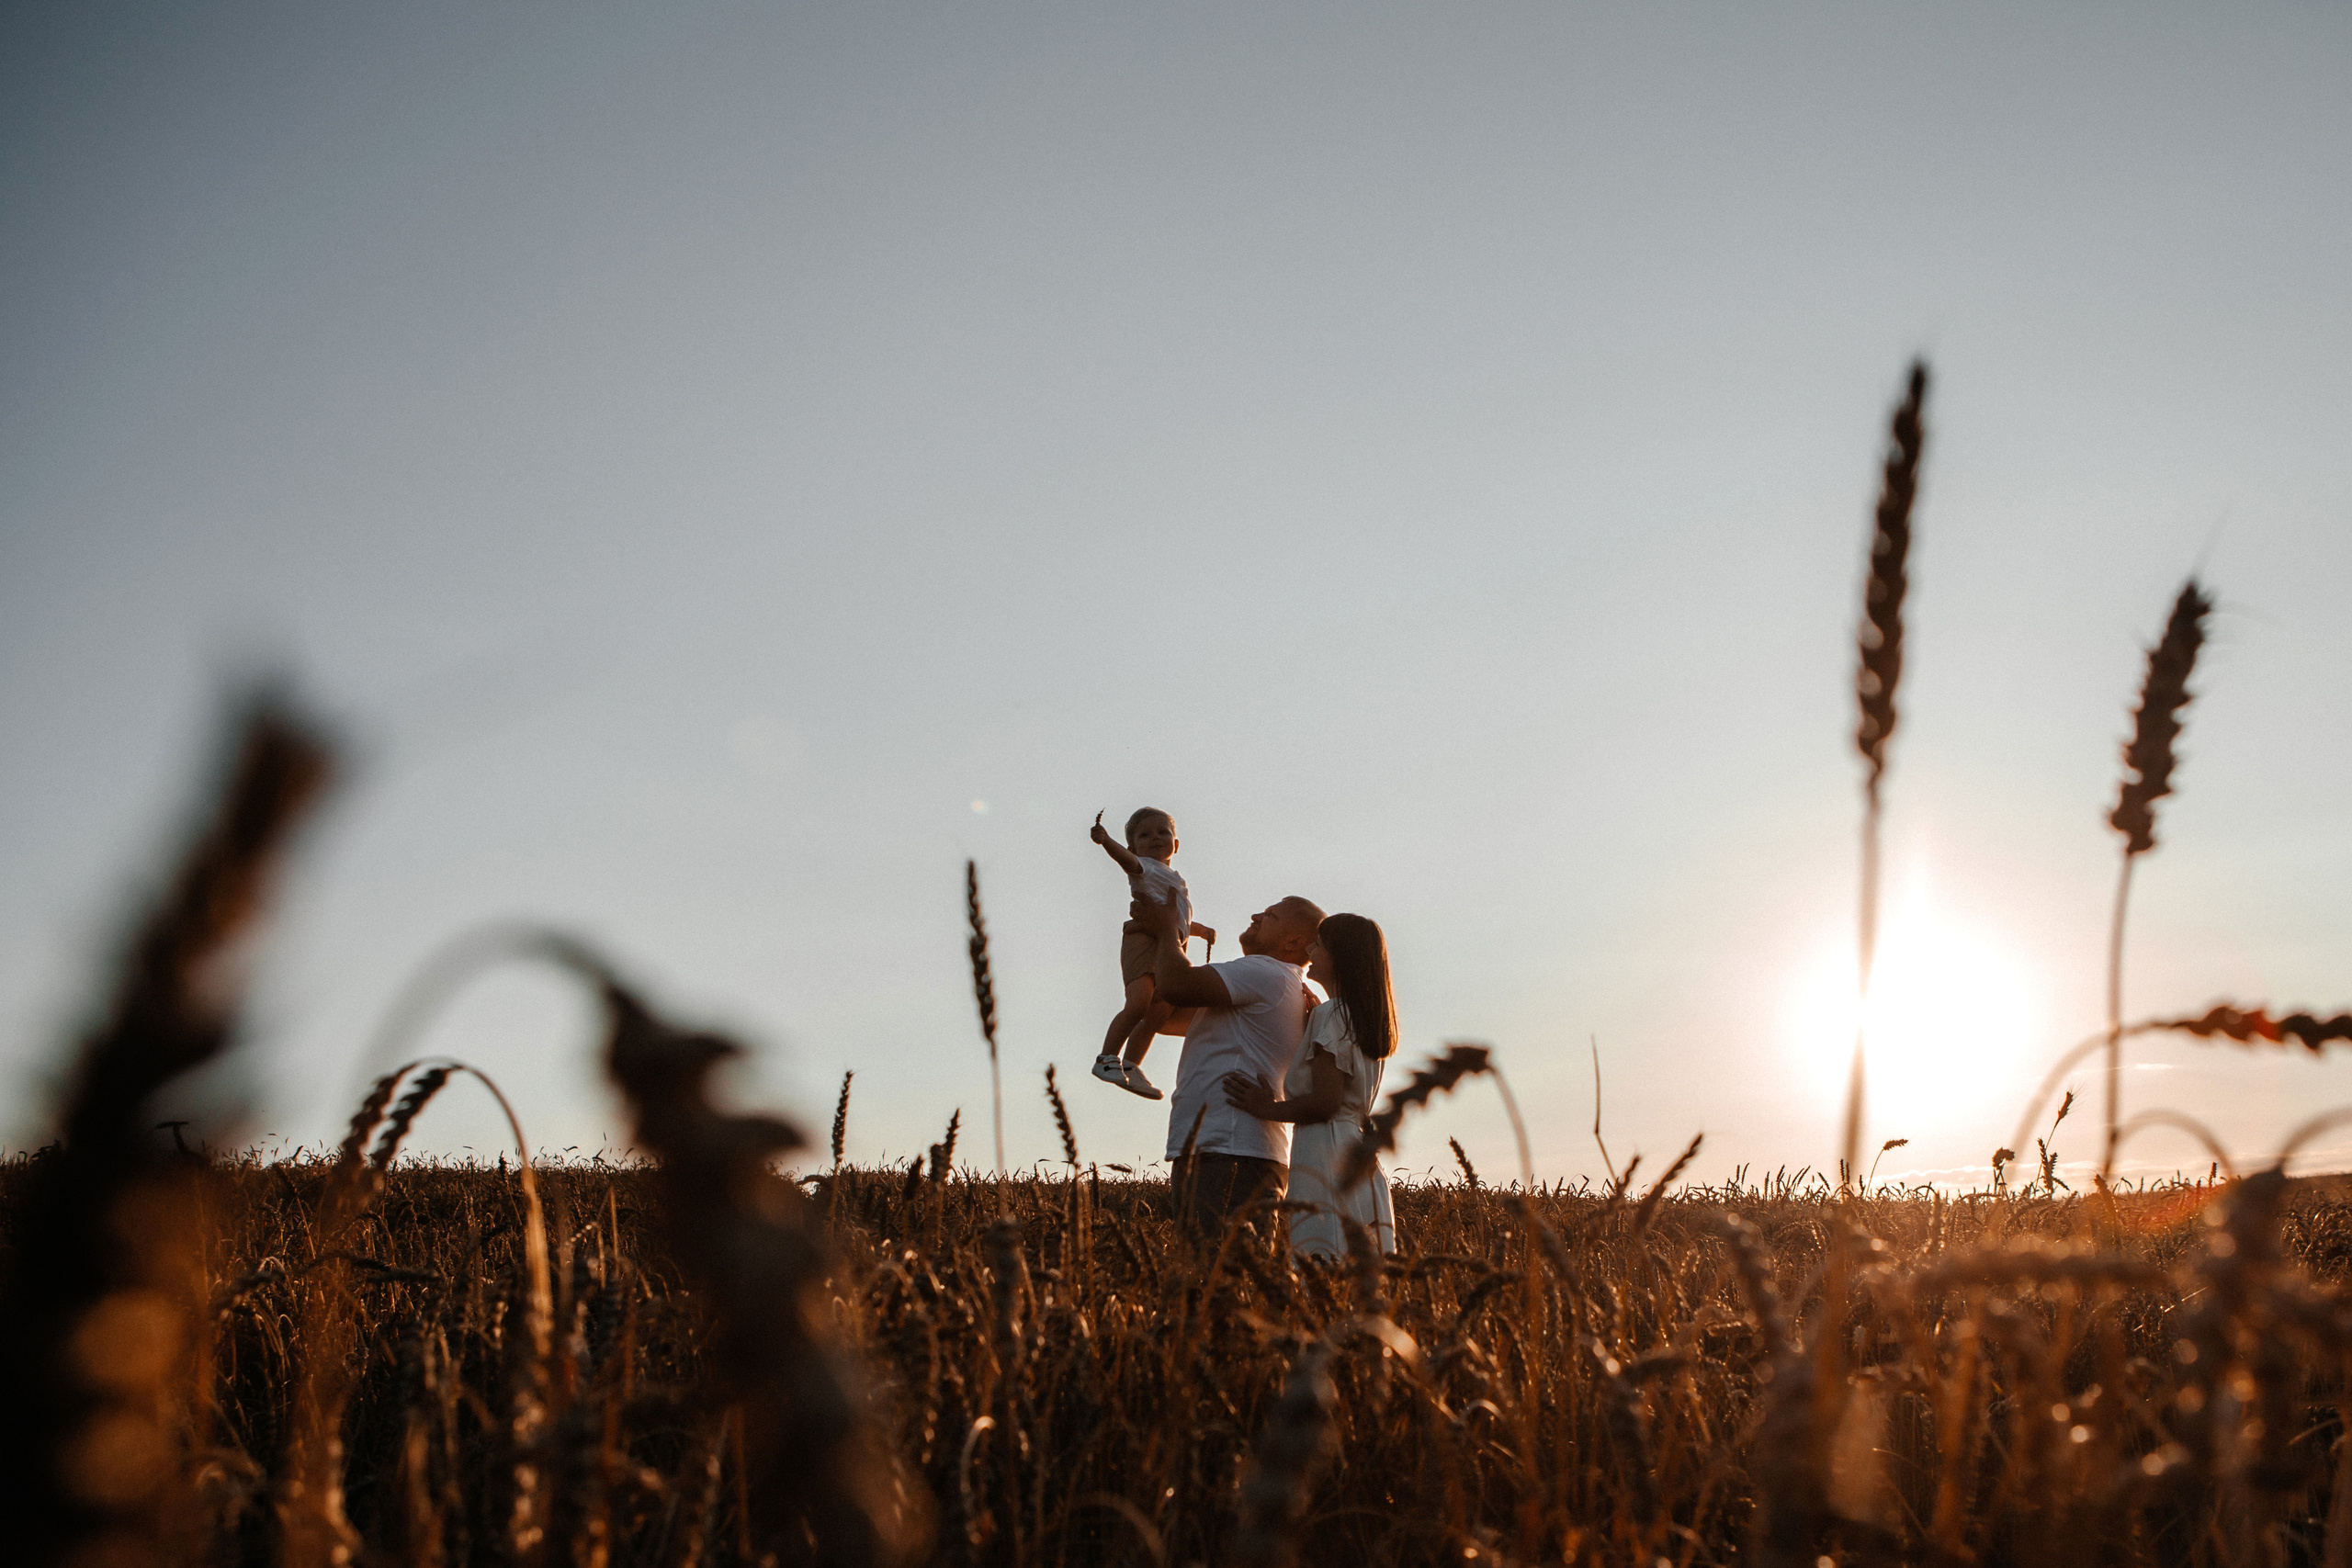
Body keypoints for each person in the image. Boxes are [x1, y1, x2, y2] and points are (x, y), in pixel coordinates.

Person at [1128, 886, 1324, 1237]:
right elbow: (1164, 1015)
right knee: (1221, 1275)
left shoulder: (1265, 972)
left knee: (1216, 1276)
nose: (1256, 917)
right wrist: (1160, 947)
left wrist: (1169, 930)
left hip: (1228, 1149)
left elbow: (1176, 985)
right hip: (1232, 1148)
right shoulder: (1276, 985)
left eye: (1270, 916)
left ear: (1293, 943)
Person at [1223, 914, 1398, 1259]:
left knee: (1323, 1261)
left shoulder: (1332, 1016)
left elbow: (1325, 1102)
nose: (1309, 949)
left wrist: (1266, 1108)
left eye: (1318, 944)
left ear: (1339, 957)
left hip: (1324, 1154)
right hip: (1356, 1152)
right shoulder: (1353, 1018)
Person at [1089, 807, 1216, 1100]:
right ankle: (1107, 1058)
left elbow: (1178, 920)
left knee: (1159, 1011)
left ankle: (1132, 1065)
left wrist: (1201, 930)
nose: (1156, 838)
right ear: (1134, 847)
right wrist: (1107, 841)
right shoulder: (1144, 866)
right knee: (1138, 1003)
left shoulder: (1174, 878)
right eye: (1145, 835)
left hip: (1170, 945)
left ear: (1176, 843)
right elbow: (1127, 862)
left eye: (1163, 832)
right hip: (1144, 941)